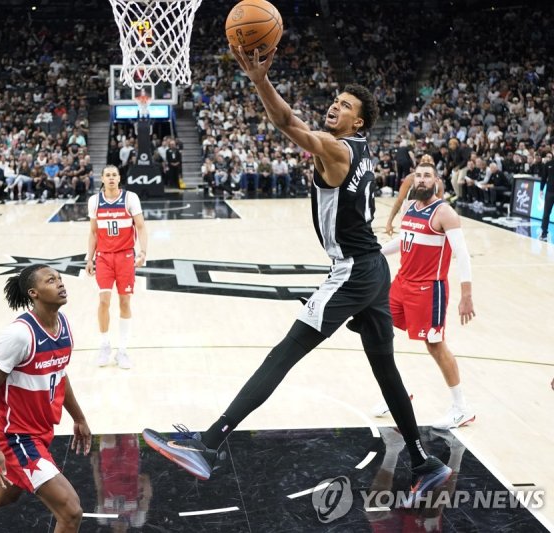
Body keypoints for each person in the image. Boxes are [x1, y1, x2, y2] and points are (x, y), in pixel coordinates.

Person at [142, 46, 451, 505]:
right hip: (372, 270)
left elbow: (288, 123)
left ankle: (208, 444)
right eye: (336, 100)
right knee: (385, 370)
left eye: (346, 105)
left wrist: (259, 80)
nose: (335, 106)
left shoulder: (337, 150)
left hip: (352, 272)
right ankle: (425, 462)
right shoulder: (361, 149)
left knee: (284, 354)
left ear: (359, 122)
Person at [0, 264, 91, 533]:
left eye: (60, 278)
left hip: (41, 432)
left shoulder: (63, 326)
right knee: (71, 511)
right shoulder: (19, 335)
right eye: (51, 280)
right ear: (34, 293)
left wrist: (79, 417)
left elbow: (59, 373)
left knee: (7, 493)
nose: (60, 283)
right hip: (16, 437)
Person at [377, 162, 476, 430]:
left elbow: (462, 255)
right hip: (402, 284)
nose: (421, 180)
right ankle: (397, 393)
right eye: (418, 176)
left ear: (436, 182)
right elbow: (404, 241)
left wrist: (466, 295)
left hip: (428, 289)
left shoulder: (445, 213)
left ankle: (461, 409)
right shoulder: (410, 207)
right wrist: (377, 252)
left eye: (427, 176)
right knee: (379, 330)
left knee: (435, 345)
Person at [86, 165, 148, 369]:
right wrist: (89, 258)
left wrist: (143, 252)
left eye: (114, 175)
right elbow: (93, 232)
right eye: (108, 175)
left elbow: (141, 227)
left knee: (124, 302)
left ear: (119, 178)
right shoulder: (94, 201)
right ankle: (105, 345)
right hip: (104, 257)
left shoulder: (130, 198)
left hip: (125, 256)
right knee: (104, 301)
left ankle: (122, 350)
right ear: (102, 179)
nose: (111, 178)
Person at [385, 154, 444, 237]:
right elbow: (399, 201)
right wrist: (389, 222)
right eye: (423, 160)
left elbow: (440, 205)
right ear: (419, 164)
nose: (426, 162)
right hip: (410, 213)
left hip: (428, 214)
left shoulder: (439, 182)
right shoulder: (410, 179)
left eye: (429, 160)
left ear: (434, 163)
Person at [539, 152, 554, 241]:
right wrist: (541, 189)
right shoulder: (548, 164)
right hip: (549, 192)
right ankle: (544, 233)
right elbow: (544, 177)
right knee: (546, 213)